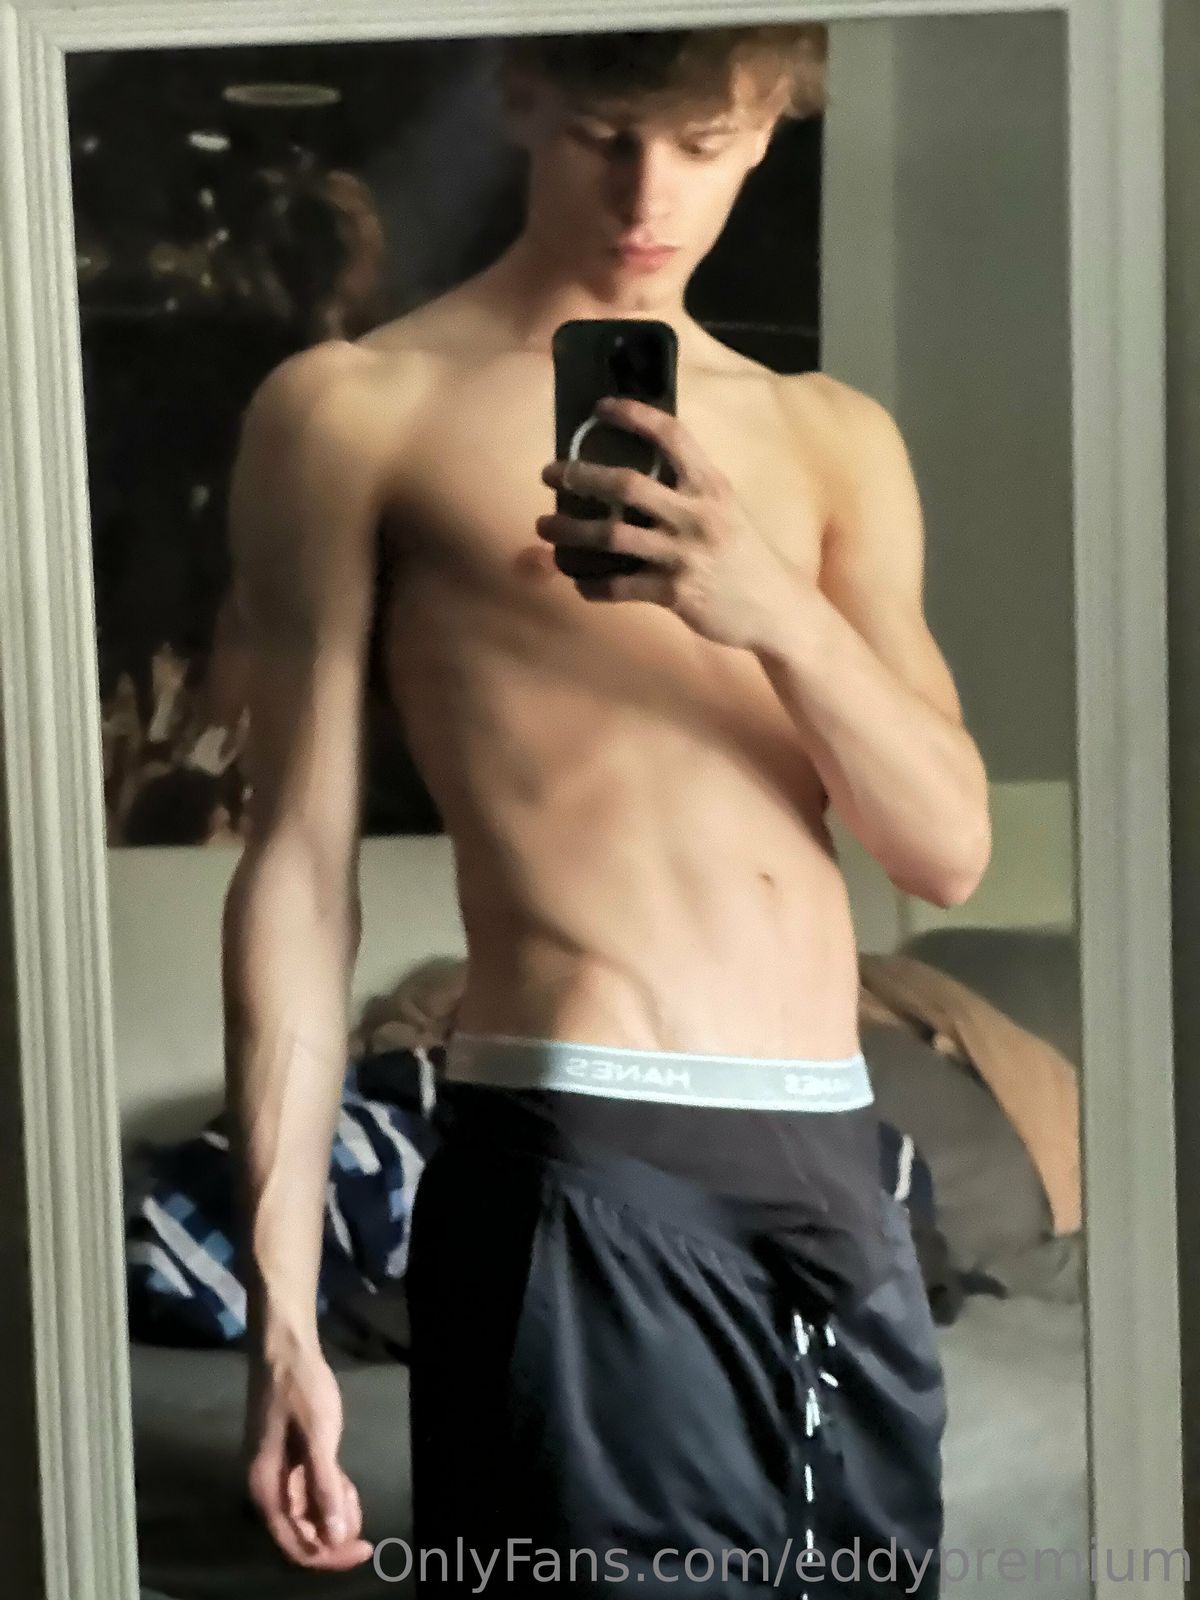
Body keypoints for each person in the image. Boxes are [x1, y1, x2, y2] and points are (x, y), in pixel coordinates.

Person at [221, 23, 992, 1597]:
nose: (649, 195)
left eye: (701, 144)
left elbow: (947, 849)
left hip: (834, 1157)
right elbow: (298, 866)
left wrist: (768, 606)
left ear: (770, 126)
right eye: (604, 135)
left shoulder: (834, 436)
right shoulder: (357, 408)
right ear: (521, 95)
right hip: (587, 1139)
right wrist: (281, 1311)